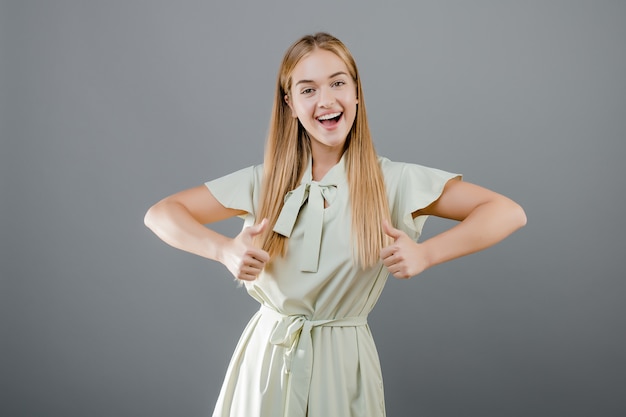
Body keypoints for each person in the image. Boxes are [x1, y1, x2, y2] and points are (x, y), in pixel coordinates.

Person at [144, 32, 527, 417]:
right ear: (290, 104)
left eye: (338, 83)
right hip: (268, 363)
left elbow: (507, 211)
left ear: (357, 93)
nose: (326, 100)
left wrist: (427, 253)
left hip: (344, 366)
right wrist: (223, 250)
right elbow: (161, 213)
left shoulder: (393, 182)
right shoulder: (263, 183)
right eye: (308, 90)